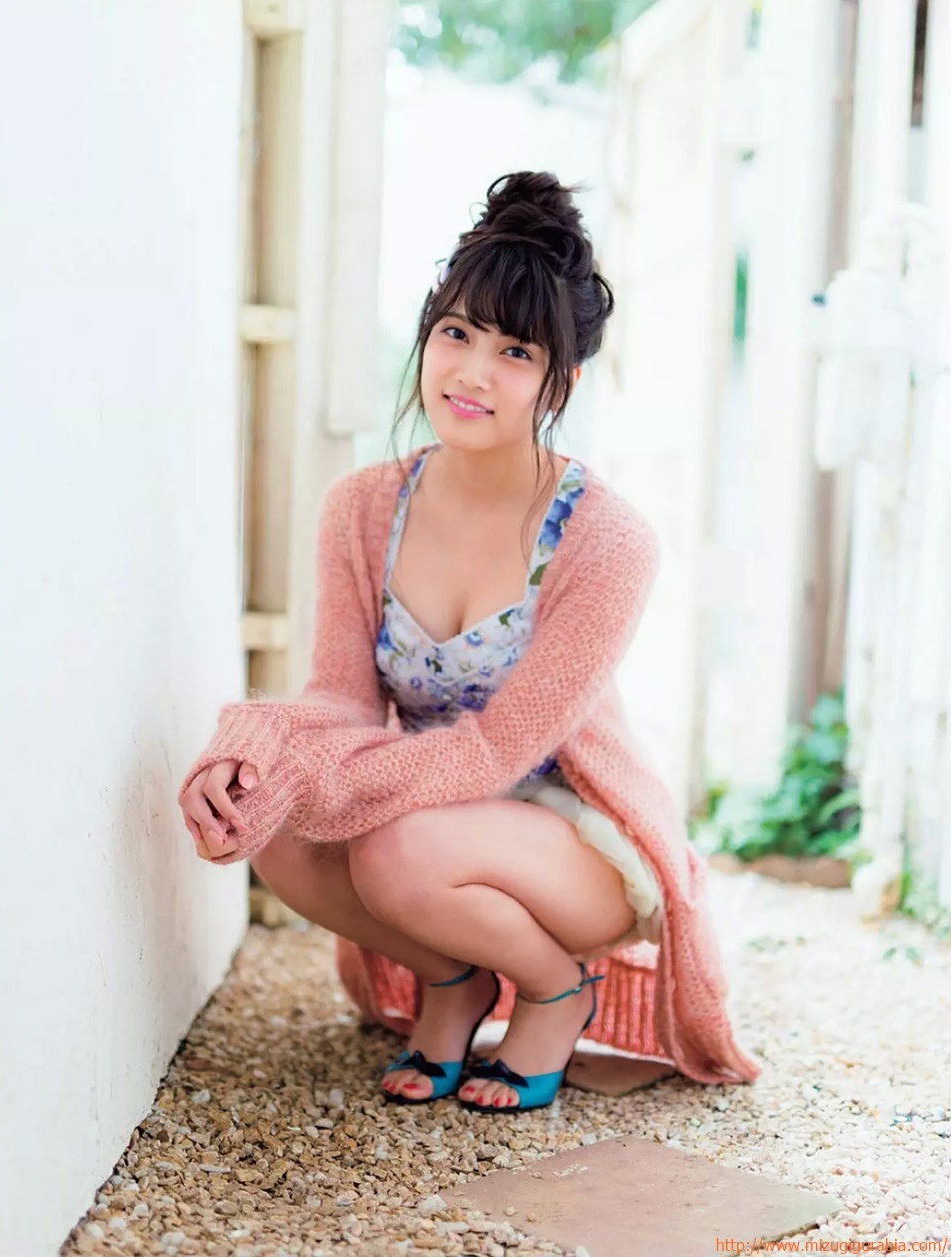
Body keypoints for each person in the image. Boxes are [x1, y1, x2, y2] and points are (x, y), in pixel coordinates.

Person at [179, 171, 761, 1114]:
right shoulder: (362, 507)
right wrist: (259, 744)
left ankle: (556, 989)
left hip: (577, 836)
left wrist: (320, 771)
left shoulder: (606, 538)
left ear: (563, 382)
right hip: (431, 814)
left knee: (394, 849)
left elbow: (500, 747)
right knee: (274, 817)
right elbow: (342, 697)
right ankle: (452, 979)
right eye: (456, 333)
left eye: (515, 351)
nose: (473, 373)